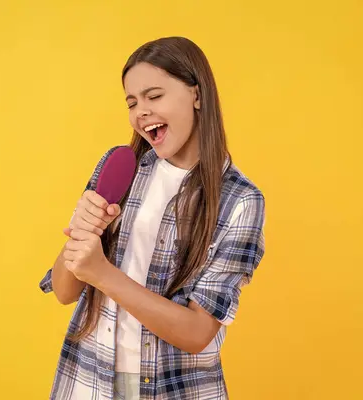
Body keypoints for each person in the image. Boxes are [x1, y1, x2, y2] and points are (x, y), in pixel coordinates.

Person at [39, 36, 266, 400]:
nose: (140, 111)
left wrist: (102, 273)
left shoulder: (240, 201)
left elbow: (196, 333)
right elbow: (65, 292)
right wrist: (82, 234)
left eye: (154, 96)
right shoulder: (120, 168)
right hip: (88, 381)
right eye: (132, 102)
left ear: (197, 94)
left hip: (174, 390)